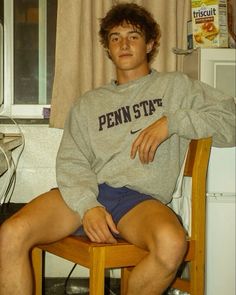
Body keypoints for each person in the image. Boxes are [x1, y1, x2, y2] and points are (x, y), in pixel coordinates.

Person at [0, 3, 235, 295]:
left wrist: (172, 122)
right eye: (115, 37)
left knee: (172, 244)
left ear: (150, 43)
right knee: (10, 234)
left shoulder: (176, 87)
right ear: (108, 48)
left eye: (133, 36)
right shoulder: (88, 103)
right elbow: (72, 162)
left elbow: (231, 121)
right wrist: (89, 206)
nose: (123, 44)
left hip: (140, 203)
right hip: (87, 192)